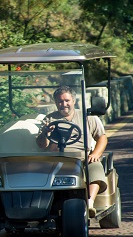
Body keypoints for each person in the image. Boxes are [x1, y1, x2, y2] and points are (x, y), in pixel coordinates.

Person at [36, 86, 108, 217]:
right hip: (56, 158)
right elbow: (41, 145)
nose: (64, 104)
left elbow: (102, 137)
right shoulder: (49, 119)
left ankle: (90, 202)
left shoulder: (88, 117)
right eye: (60, 102)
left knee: (96, 168)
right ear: (56, 103)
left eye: (67, 100)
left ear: (73, 101)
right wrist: (45, 133)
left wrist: (95, 154)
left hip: (82, 158)